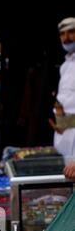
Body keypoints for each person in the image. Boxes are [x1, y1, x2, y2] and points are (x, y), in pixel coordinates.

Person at [52, 17, 75, 179]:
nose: (66, 38)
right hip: (66, 145)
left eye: (71, 32)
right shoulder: (66, 65)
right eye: (62, 34)